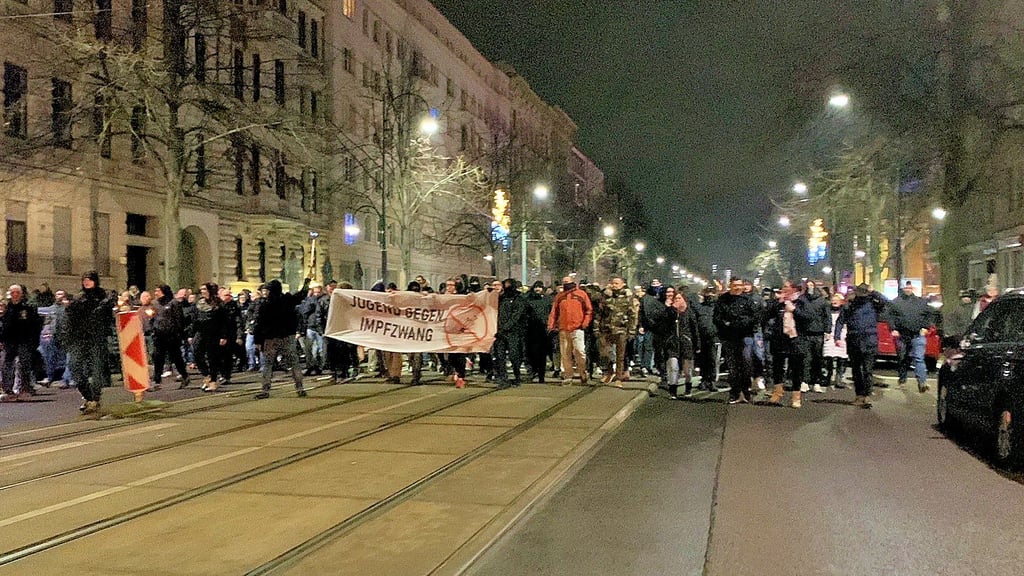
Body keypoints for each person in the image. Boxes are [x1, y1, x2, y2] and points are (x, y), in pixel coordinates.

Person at [65, 271, 115, 413]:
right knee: (75, 368)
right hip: (79, 339)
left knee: (97, 371)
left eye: (90, 280)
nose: (86, 282)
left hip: (97, 339)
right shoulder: (78, 298)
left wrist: (108, 303)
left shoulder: (103, 297)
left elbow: (110, 311)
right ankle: (88, 396)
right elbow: (70, 319)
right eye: (84, 279)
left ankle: (95, 399)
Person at [254, 278, 310, 399]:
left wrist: (258, 341)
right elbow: (301, 295)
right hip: (287, 337)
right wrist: (306, 283)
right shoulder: (287, 300)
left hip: (270, 339)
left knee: (268, 364)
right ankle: (300, 387)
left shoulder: (265, 305)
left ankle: (265, 389)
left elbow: (259, 324)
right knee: (294, 362)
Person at [835, 283, 887, 407]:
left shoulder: (873, 303)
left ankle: (867, 395)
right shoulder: (850, 305)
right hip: (855, 339)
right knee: (857, 370)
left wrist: (874, 292)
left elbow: (886, 302)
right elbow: (840, 321)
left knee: (867, 370)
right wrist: (837, 337)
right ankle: (860, 395)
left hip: (868, 339)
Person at [713, 278, 761, 404]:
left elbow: (755, 317)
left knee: (746, 363)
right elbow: (717, 318)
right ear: (731, 286)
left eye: (740, 285)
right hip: (729, 337)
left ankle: (746, 391)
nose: (738, 287)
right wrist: (727, 324)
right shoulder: (723, 300)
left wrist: (743, 323)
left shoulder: (748, 300)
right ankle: (734, 392)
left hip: (746, 336)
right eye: (735, 285)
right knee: (732, 366)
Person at [548, 275, 593, 386]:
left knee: (579, 351)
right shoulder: (560, 296)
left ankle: (582, 372)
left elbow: (588, 310)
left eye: (567, 281)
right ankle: (568, 375)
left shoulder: (581, 294)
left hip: (577, 328)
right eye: (564, 282)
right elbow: (554, 312)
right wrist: (551, 325)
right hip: (563, 328)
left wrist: (584, 323)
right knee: (565, 353)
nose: (566, 283)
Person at [888, 281, 932, 393]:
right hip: (902, 335)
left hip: (917, 334)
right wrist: (893, 329)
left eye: (909, 287)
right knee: (902, 358)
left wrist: (926, 327)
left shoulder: (920, 302)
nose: (908, 289)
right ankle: (902, 379)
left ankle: (922, 381)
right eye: (906, 287)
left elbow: (929, 315)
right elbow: (890, 317)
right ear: (902, 288)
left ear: (912, 288)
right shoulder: (896, 302)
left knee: (919, 358)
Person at [0, 285, 42, 401]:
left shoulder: (28, 307)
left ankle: (25, 388)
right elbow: (4, 325)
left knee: (24, 365)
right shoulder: (7, 307)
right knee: (6, 365)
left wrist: (34, 341)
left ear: (21, 293)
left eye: (17, 292)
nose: (14, 295)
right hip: (10, 342)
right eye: (12, 292)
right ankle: (8, 390)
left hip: (24, 341)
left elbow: (36, 325)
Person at [597, 277, 638, 385]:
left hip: (621, 329)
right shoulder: (606, 297)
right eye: (613, 283)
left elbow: (633, 315)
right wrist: (596, 327)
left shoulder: (628, 298)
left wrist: (632, 330)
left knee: (620, 355)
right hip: (606, 329)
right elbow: (599, 313)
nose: (614, 285)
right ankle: (609, 372)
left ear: (623, 284)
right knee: (604, 353)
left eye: (617, 283)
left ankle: (619, 377)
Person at [794, 280, 831, 395]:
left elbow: (827, 316)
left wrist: (827, 330)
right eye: (808, 285)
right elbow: (797, 314)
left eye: (811, 285)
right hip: (805, 333)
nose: (810, 287)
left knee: (818, 359)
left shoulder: (821, 300)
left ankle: (816, 381)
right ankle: (805, 381)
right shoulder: (802, 299)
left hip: (818, 333)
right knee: (806, 358)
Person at [150, 284, 190, 390]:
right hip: (159, 335)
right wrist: (153, 328)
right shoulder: (155, 303)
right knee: (158, 358)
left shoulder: (174, 303)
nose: (155, 293)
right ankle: (156, 381)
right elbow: (152, 317)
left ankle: (185, 375)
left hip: (172, 336)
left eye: (157, 291)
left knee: (176, 358)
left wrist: (179, 334)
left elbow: (179, 320)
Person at [665, 291, 701, 398]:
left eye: (679, 298)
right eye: (675, 299)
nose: (677, 301)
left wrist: (697, 344)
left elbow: (695, 330)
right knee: (673, 367)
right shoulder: (671, 312)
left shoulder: (689, 313)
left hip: (686, 344)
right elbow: (664, 322)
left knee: (687, 370)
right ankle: (672, 390)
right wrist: (670, 309)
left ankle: (688, 388)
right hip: (673, 344)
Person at [493, 278, 527, 388]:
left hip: (513, 332)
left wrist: (505, 327)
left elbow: (516, 316)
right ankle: (503, 377)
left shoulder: (519, 299)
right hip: (500, 333)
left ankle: (517, 376)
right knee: (500, 356)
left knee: (514, 355)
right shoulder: (501, 299)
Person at [524, 281, 552, 383]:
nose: (537, 289)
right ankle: (534, 371)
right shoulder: (527, 299)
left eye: (539, 287)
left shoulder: (547, 300)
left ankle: (541, 375)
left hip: (544, 330)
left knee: (542, 354)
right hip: (531, 330)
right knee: (531, 353)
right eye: (536, 287)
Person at [693, 287, 719, 391]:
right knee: (702, 360)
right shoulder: (700, 308)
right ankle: (704, 380)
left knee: (713, 360)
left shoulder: (718, 308)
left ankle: (711, 380)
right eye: (708, 294)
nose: (709, 296)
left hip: (714, 338)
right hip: (702, 337)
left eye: (712, 294)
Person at [823, 292, 848, 389]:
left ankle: (839, 378)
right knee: (828, 356)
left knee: (842, 357)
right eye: (833, 301)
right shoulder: (827, 310)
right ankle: (828, 375)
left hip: (842, 335)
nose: (834, 302)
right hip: (829, 335)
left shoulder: (845, 311)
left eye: (836, 301)